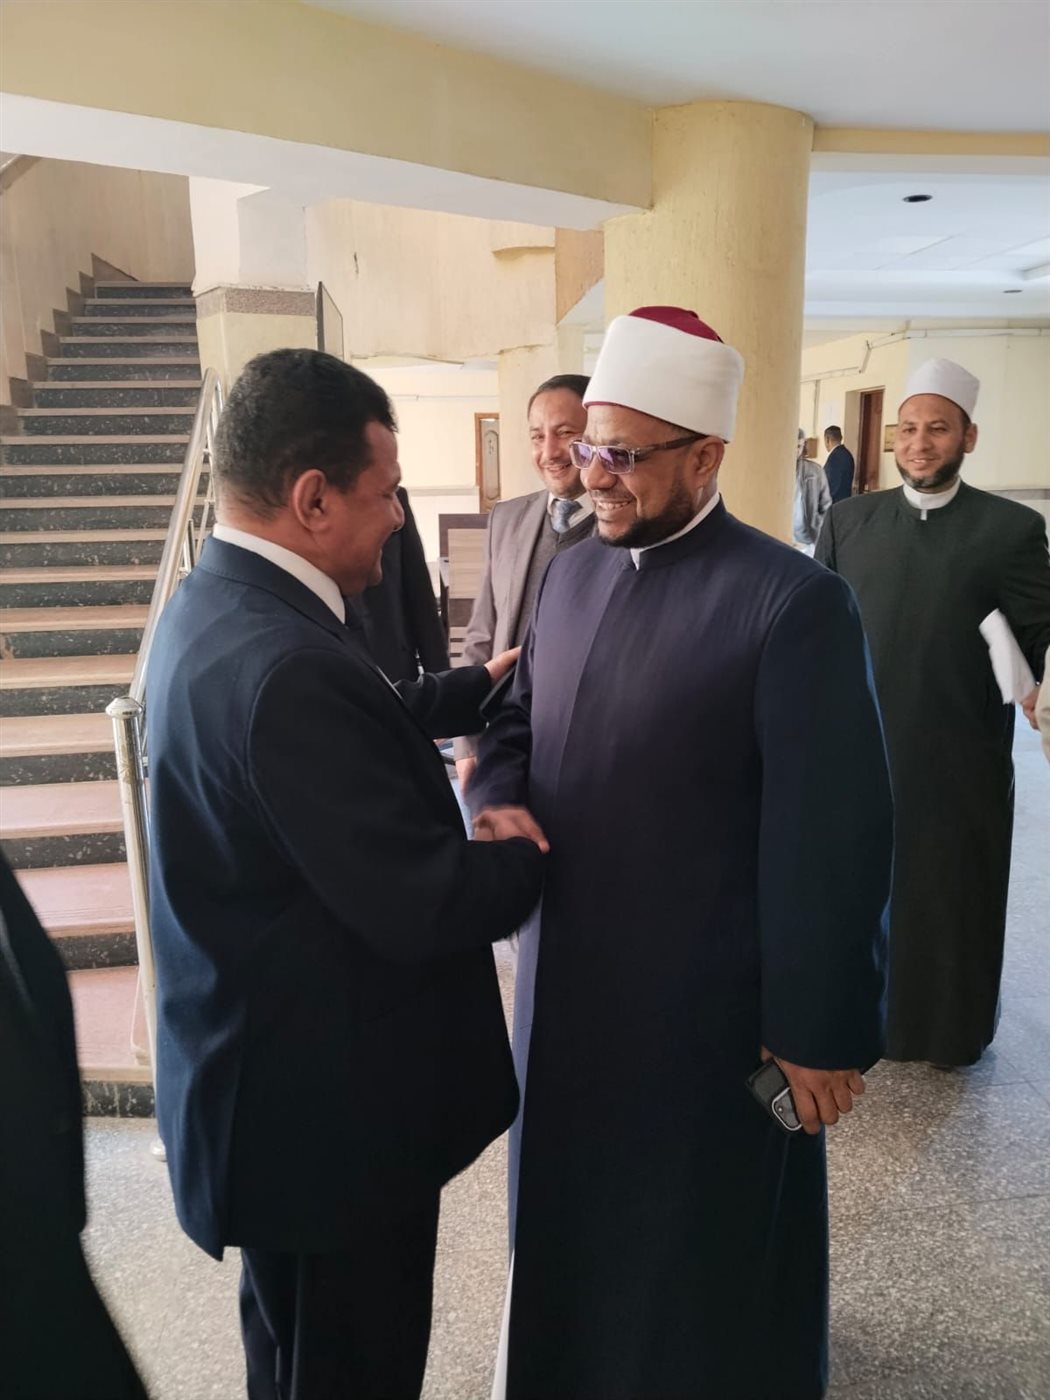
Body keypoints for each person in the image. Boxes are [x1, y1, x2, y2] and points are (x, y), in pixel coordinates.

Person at [471, 305, 893, 1400]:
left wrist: (815, 1033)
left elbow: (834, 837)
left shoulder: (792, 603)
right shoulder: (570, 575)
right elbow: (512, 719)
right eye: (587, 449)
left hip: (703, 1017)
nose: (592, 477)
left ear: (706, 456)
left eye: (623, 455)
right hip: (566, 993)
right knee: (567, 1233)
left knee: (699, 1258)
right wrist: (497, 797)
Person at [145, 349, 545, 1400]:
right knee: (349, 1365)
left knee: (291, 1352)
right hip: (327, 1130)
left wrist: (466, 690)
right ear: (313, 499)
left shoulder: (219, 603)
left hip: (269, 1097)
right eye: (387, 493)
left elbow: (328, 742)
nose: (399, 520)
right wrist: (519, 850)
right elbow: (422, 902)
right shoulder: (287, 666)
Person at [818, 357, 1050, 1068]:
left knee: (953, 898)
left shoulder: (1010, 528)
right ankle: (865, 1024)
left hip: (961, 754)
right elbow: (814, 630)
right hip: (860, 751)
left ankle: (952, 1033)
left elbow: (1038, 635)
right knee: (859, 893)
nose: (919, 443)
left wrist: (1038, 690)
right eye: (909, 428)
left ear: (968, 437)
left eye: (938, 429)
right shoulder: (849, 521)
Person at [454, 373, 593, 790]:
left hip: (579, 754)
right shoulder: (507, 518)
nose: (549, 452)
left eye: (565, 433)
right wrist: (467, 744)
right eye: (537, 436)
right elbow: (480, 636)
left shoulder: (626, 528)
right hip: (499, 749)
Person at [351, 485, 450, 682]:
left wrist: (443, 681)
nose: (397, 518)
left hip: (397, 668)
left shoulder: (395, 497)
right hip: (340, 668)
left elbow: (420, 597)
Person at [793, 426, 831, 554]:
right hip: (783, 539)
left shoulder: (815, 472)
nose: (796, 450)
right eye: (793, 445)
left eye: (799, 446)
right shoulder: (774, 471)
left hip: (808, 541)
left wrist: (819, 524)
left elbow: (826, 505)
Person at [823, 424, 855, 503]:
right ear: (841, 438)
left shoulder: (835, 457)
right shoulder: (847, 454)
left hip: (835, 504)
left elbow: (832, 485)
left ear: (827, 439)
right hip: (845, 501)